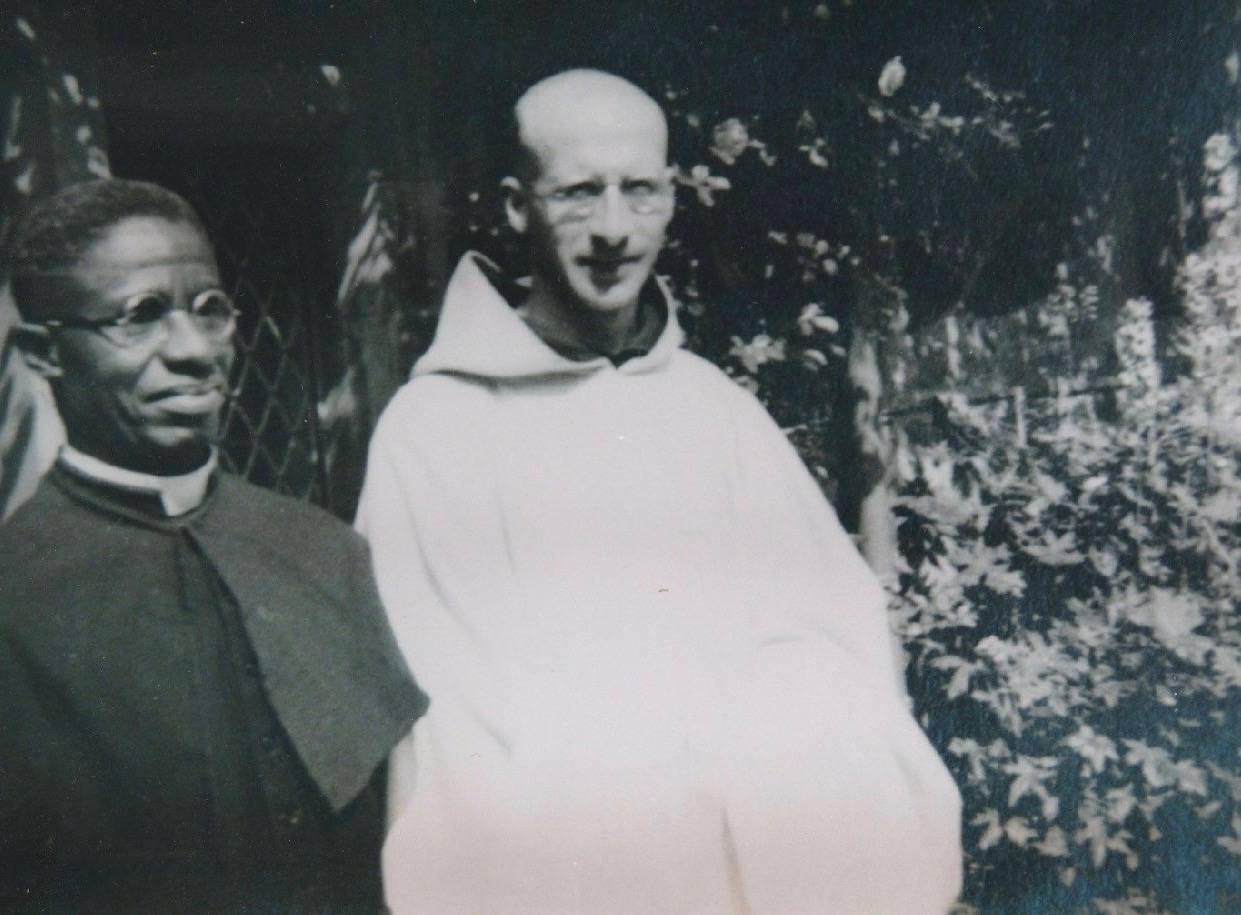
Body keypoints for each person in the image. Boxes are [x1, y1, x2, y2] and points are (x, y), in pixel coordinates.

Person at [358, 69, 962, 914]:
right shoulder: (436, 434)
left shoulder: (718, 413)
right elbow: (456, 732)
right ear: (514, 205)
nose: (613, 228)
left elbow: (841, 652)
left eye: (637, 190)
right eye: (576, 193)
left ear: (671, 199)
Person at [0, 179, 427, 913]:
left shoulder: (324, 551)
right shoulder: (14, 596)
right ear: (44, 352)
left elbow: (402, 820)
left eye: (210, 310)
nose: (194, 351)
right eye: (140, 318)